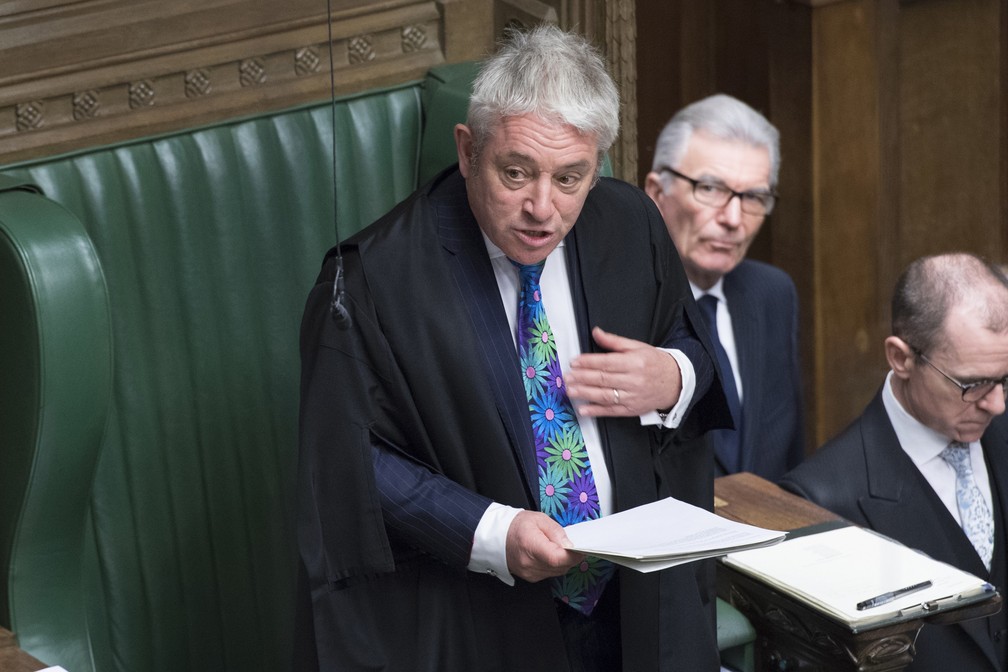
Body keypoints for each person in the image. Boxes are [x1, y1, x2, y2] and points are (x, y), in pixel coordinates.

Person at [296, 23, 732, 672]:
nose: (542, 208)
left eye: (569, 178)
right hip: (479, 617)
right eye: (516, 172)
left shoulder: (629, 223)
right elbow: (347, 459)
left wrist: (674, 376)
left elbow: (691, 344)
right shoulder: (370, 281)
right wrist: (493, 534)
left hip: (635, 603)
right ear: (468, 151)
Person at [780, 252, 1008, 671]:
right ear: (901, 358)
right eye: (973, 385)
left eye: (1005, 378)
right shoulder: (821, 501)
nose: (996, 403)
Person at [644, 94, 803, 480]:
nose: (733, 219)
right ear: (656, 193)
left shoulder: (771, 293)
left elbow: (786, 455)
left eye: (753, 197)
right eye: (710, 189)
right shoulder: (620, 303)